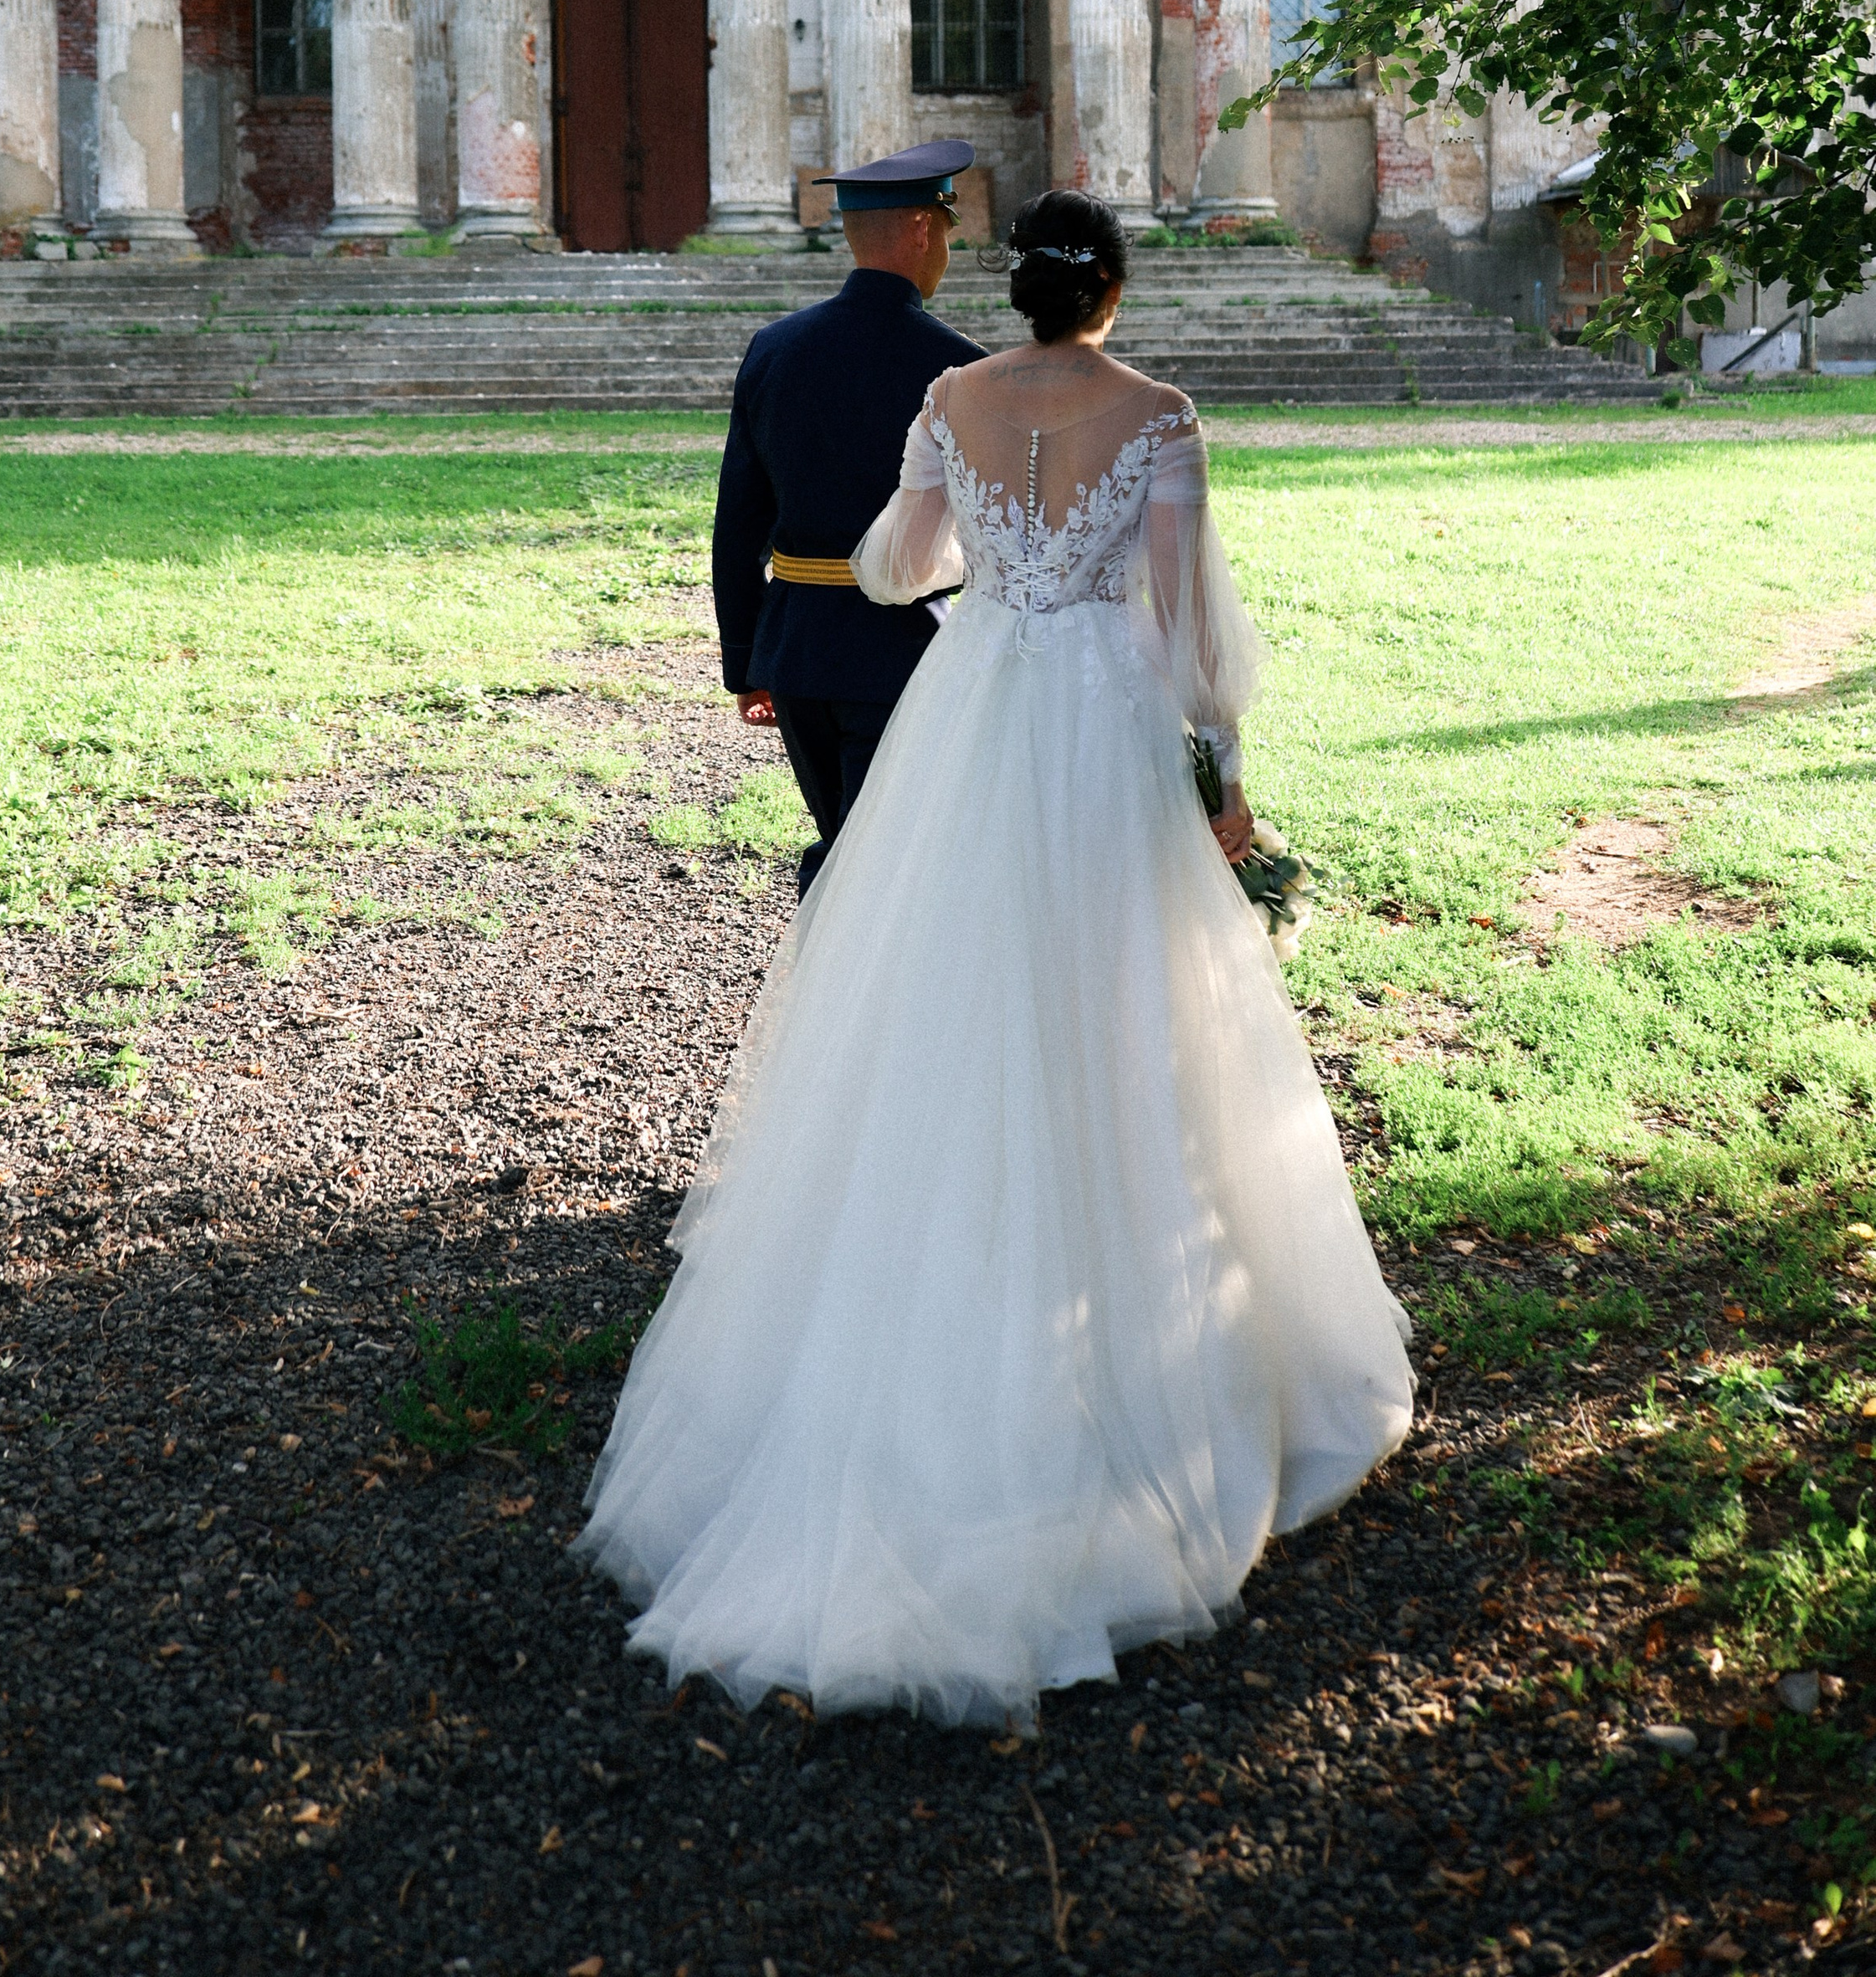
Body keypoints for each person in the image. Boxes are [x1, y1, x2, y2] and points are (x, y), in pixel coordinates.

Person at [581, 187, 1414, 1732]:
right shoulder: (1159, 415)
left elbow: (899, 568)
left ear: (1017, 287)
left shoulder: (948, 396)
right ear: (1110, 289)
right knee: (1127, 1007)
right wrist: (1224, 780)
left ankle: (928, 1314)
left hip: (972, 716)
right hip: (1099, 727)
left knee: (941, 1005)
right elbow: (1183, 631)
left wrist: (981, 572)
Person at [710, 141, 986, 895]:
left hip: (797, 648)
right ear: (925, 231)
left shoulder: (775, 349)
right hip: (903, 647)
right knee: (874, 859)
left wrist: (746, 662)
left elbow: (738, 523)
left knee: (845, 833)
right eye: (947, 235)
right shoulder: (959, 367)